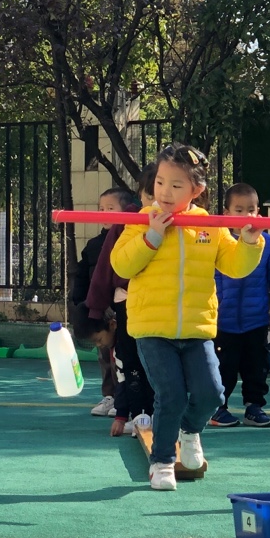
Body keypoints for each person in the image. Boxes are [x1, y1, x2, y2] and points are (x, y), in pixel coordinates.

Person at [111, 144, 263, 491]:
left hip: (197, 327)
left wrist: (249, 243)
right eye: (160, 182)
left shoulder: (209, 225)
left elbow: (235, 267)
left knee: (212, 392)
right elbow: (122, 265)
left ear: (196, 190)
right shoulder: (142, 220)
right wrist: (151, 236)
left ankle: (191, 430)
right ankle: (162, 460)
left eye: (176, 185)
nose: (164, 191)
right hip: (152, 327)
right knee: (172, 394)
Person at [211, 183, 270, 428]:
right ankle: (218, 408)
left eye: (251, 210)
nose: (246, 215)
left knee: (257, 366)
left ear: (258, 213)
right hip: (222, 320)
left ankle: (254, 406)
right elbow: (207, 276)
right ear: (226, 213)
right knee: (223, 366)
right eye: (239, 210)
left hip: (256, 319)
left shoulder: (266, 242)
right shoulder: (219, 241)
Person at [85, 187, 151, 437]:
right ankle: (137, 413)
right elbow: (104, 270)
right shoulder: (125, 225)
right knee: (129, 361)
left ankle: (152, 414)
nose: (159, 199)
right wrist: (95, 307)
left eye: (110, 208)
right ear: (141, 197)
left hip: (160, 305)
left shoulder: (181, 223)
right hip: (128, 302)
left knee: (155, 364)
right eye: (151, 194)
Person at [73, 187, 132, 418]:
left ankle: (127, 397)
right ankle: (110, 395)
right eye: (101, 209)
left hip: (125, 309)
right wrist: (81, 301)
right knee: (105, 353)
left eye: (110, 208)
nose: (104, 213)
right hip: (101, 309)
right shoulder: (93, 245)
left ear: (127, 211)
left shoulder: (129, 240)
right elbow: (82, 275)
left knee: (125, 356)